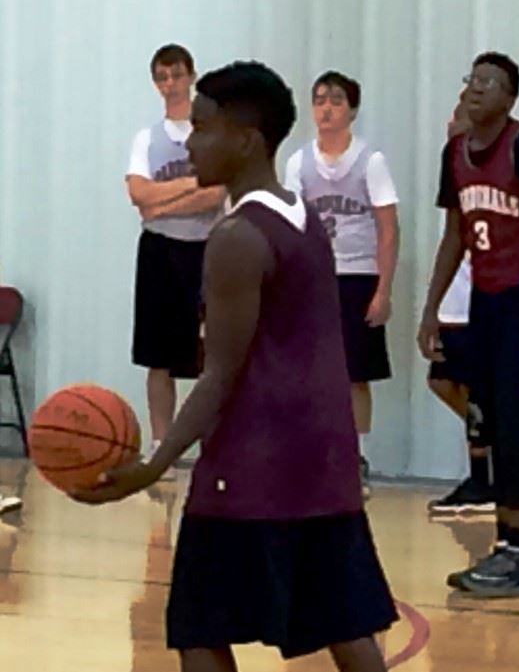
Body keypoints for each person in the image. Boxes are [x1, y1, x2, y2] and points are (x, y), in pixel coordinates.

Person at [76, 61, 397, 672]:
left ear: (246, 139)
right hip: (324, 459)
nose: (190, 140)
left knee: (200, 627)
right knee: (345, 626)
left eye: (202, 126)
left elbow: (220, 375)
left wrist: (155, 465)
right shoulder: (305, 219)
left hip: (254, 465)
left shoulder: (236, 237)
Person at [418, 52, 519, 597]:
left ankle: (518, 551)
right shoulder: (455, 154)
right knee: (485, 422)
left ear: (510, 98)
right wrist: (432, 307)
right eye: (472, 79)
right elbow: (454, 235)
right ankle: (505, 548)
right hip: (485, 302)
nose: (477, 88)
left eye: (491, 82)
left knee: (517, 428)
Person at [284, 72, 399, 492]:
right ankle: (316, 453)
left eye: (335, 100)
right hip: (315, 278)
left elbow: (388, 228)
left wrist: (384, 290)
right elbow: (292, 226)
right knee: (311, 372)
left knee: (355, 373)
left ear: (351, 108)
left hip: (358, 276)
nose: (326, 107)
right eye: (319, 100)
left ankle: (356, 455)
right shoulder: (299, 162)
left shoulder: (371, 162)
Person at [126, 44, 225, 455]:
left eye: (177, 76)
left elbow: (215, 194)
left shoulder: (209, 133)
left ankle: (214, 443)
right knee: (157, 355)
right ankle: (161, 443)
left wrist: (162, 200)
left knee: (212, 355)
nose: (170, 85)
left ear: (191, 77)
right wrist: (190, 184)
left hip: (205, 247)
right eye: (162, 78)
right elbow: (138, 195)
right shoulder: (147, 138)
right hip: (160, 250)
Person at [426, 93, 493, 516]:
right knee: (443, 381)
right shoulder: (453, 164)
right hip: (457, 292)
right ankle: (500, 438)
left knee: (479, 389)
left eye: (461, 113)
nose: (452, 120)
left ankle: (483, 477)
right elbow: (452, 235)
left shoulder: (498, 162)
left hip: (483, 294)